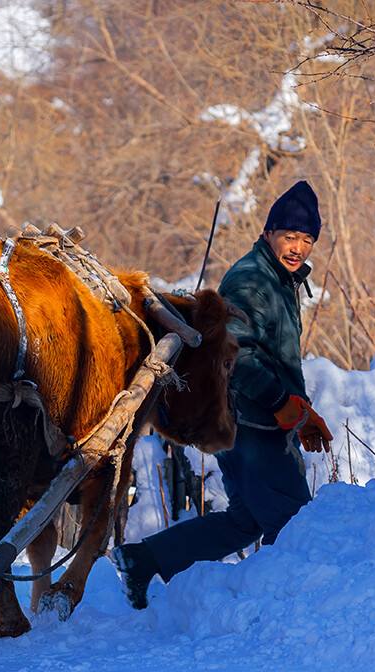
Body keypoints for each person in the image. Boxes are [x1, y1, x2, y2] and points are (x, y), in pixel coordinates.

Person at [112, 180, 334, 609]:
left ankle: (143, 559)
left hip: (255, 419)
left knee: (244, 521)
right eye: (290, 236)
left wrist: (299, 412)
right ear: (269, 233)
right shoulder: (253, 281)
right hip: (251, 423)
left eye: (307, 239)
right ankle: (281, 608)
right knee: (293, 523)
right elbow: (238, 355)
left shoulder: (279, 279)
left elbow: (272, 355)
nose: (298, 247)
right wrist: (279, 403)